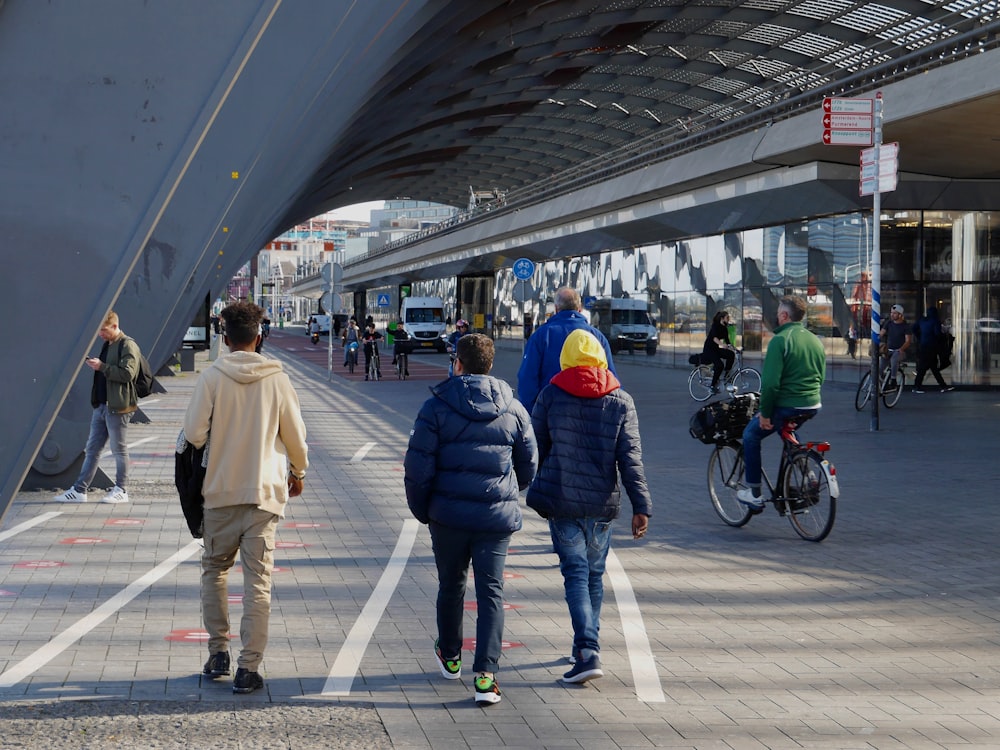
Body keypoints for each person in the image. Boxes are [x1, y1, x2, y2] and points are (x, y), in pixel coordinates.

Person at [404, 333, 538, 706]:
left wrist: (423, 509)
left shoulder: (436, 406)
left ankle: (450, 655)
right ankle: (486, 677)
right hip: (495, 518)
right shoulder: (513, 406)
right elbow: (529, 462)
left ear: (457, 363)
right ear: (490, 365)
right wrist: (509, 490)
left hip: (447, 517)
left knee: (451, 586)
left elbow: (417, 467)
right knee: (491, 591)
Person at [183, 301, 308, 695]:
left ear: (225, 337)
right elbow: (296, 441)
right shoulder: (278, 379)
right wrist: (297, 473)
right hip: (263, 496)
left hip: (219, 493)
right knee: (258, 582)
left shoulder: (212, 378)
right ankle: (248, 668)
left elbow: (194, 435)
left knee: (215, 570)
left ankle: (217, 652)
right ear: (259, 336)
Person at [526, 329, 651, 684]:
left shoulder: (551, 395)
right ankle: (588, 644)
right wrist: (642, 506)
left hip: (562, 500)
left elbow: (536, 448)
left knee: (576, 575)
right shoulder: (621, 400)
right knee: (594, 575)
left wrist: (528, 484)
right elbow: (631, 459)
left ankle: (586, 649)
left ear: (567, 359)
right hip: (602, 505)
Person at [737, 295, 825, 509]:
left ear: (784, 315)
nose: (776, 316)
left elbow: (770, 384)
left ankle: (754, 494)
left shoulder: (780, 340)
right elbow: (820, 375)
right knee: (788, 431)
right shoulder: (815, 339)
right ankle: (808, 474)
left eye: (778, 313)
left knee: (750, 436)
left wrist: (765, 413)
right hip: (812, 404)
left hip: (787, 404)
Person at [54, 311, 141, 505]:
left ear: (115, 326)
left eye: (103, 330)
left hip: (118, 406)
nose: (100, 334)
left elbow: (128, 373)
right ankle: (79, 490)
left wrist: (101, 366)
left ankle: (121, 489)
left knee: (119, 449)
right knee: (92, 449)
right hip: (102, 405)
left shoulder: (127, 345)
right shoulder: (108, 344)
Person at [516, 287, 617, 411]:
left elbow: (528, 379)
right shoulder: (597, 337)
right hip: (593, 411)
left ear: (556, 309)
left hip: (552, 413)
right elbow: (610, 378)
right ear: (579, 309)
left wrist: (533, 414)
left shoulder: (541, 335)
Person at [912, 306, 954, 393]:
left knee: (931, 367)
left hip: (923, 345)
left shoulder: (922, 320)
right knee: (926, 368)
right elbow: (937, 333)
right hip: (931, 346)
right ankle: (917, 386)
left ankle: (942, 385)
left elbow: (914, 328)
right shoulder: (935, 321)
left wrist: (920, 336)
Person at [703, 310, 736, 393]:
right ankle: (712, 386)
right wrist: (722, 344)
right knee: (720, 365)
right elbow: (714, 338)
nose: (728, 319)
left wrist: (735, 349)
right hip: (709, 349)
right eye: (727, 318)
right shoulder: (715, 326)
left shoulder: (725, 329)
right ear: (722, 318)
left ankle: (726, 376)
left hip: (716, 349)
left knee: (731, 354)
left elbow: (728, 342)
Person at [881, 304, 911, 390]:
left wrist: (901, 349)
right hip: (888, 350)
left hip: (900, 351)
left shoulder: (905, 326)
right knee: (880, 367)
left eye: (895, 313)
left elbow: (908, 341)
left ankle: (893, 379)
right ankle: (881, 385)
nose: (892, 315)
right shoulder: (889, 323)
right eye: (891, 313)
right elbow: (881, 333)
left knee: (894, 359)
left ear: (900, 315)